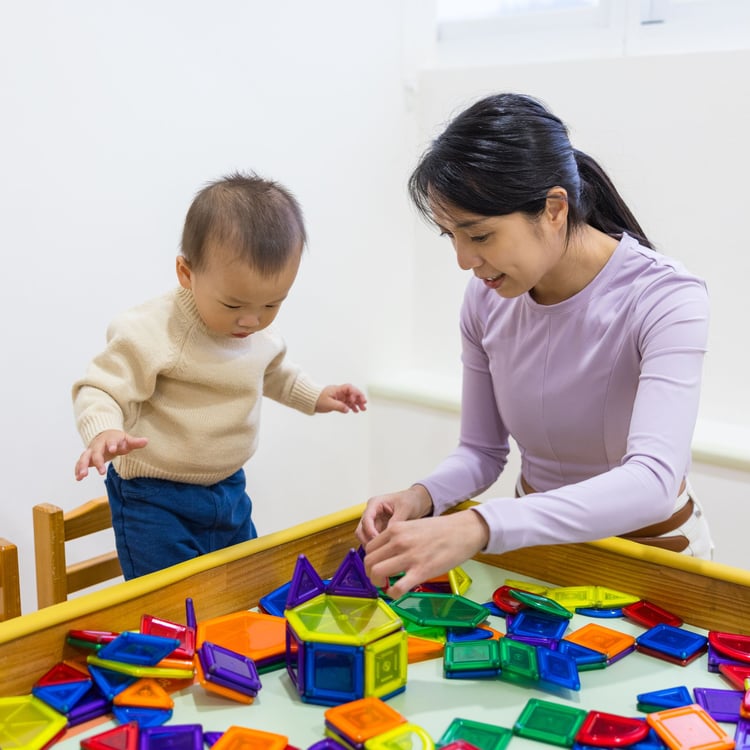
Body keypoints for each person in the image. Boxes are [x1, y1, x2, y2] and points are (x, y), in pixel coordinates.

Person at [356, 92, 713, 599]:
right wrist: (423, 496)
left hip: (653, 558)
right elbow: (481, 451)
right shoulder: (485, 300)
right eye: (450, 236)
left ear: (553, 208)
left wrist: (480, 526)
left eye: (479, 235)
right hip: (542, 557)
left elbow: (653, 482)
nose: (463, 260)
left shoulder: (665, 297)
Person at [74, 171, 367, 579]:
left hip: (229, 490)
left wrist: (319, 395)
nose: (251, 320)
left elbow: (275, 373)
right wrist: (104, 429)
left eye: (271, 305)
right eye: (233, 305)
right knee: (169, 605)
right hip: (154, 499)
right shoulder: (153, 330)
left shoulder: (257, 331)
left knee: (242, 588)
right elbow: (102, 387)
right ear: (186, 273)